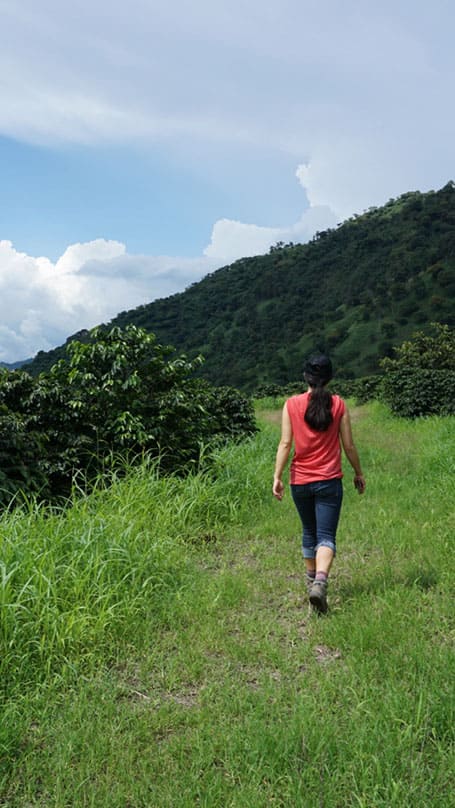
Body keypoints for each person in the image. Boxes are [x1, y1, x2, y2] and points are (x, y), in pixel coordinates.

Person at [272, 354, 365, 614]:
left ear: (306, 376)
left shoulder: (291, 404)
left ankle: (312, 584)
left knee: (309, 533)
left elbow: (285, 444)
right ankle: (321, 583)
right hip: (329, 481)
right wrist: (358, 472)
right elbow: (348, 445)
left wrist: (277, 477)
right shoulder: (339, 404)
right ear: (330, 377)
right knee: (326, 536)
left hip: (300, 481)